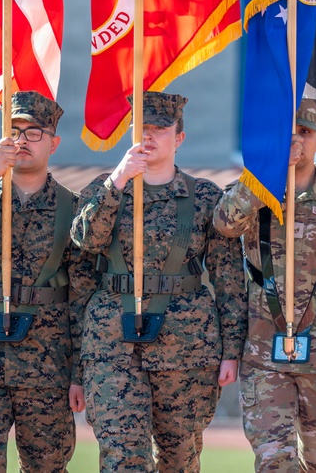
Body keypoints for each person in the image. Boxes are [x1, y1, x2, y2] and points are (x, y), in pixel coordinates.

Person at [71, 91, 247, 473]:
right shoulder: (105, 190)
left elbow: (229, 280)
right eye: (140, 128)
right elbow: (84, 242)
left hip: (186, 348)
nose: (148, 136)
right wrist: (118, 181)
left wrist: (231, 350)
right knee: (123, 459)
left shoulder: (204, 196)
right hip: (111, 346)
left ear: (179, 138)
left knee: (178, 461)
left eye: (160, 128)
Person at [212, 98, 316, 472]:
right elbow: (223, 222)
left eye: (305, 132)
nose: (296, 140)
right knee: (274, 464)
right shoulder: (253, 192)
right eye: (288, 133)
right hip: (264, 356)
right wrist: (266, 171)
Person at [0, 91, 91, 473]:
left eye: (34, 132)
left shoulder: (73, 209)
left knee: (47, 466)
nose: (22, 140)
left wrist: (79, 375)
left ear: (54, 143)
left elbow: (81, 299)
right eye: (14, 130)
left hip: (48, 367)